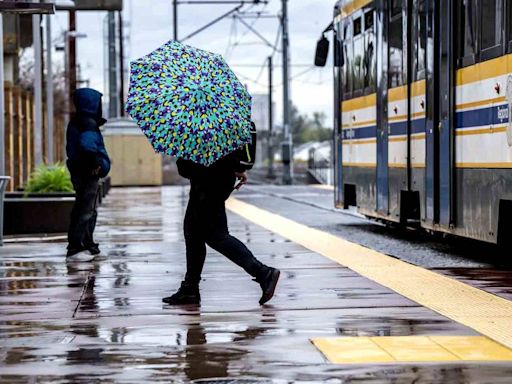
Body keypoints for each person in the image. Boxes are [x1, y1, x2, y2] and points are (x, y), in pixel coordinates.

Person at [163, 122, 280, 306]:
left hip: (207, 184)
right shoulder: (223, 118)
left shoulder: (198, 122)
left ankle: (263, 272)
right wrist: (237, 169)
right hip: (217, 181)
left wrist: (181, 148)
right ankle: (190, 288)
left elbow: (185, 167)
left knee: (216, 236)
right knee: (193, 232)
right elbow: (227, 154)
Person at [66, 88, 111, 261]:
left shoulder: (82, 122)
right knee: (85, 209)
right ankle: (76, 247)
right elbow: (88, 146)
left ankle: (87, 244)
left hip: (83, 169)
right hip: (87, 171)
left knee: (88, 209)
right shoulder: (87, 123)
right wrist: (96, 164)